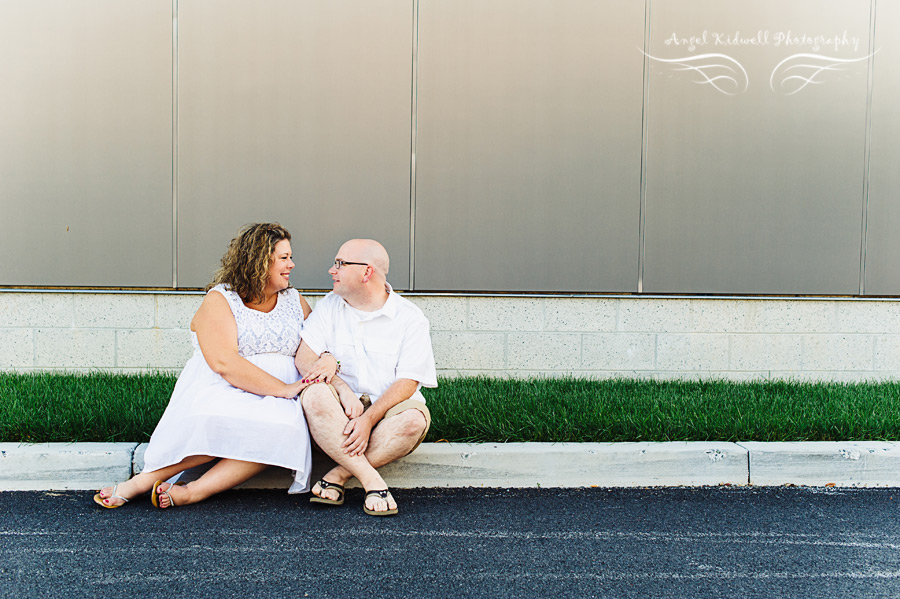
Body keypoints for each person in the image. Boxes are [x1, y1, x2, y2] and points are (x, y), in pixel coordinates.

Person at [94, 223, 337, 509]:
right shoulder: (221, 299)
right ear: (259, 260)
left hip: (281, 396)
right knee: (214, 421)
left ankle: (196, 490)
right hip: (226, 386)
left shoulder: (294, 301)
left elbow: (316, 341)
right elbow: (225, 363)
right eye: (283, 258)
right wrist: (283, 389)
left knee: (282, 428)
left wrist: (329, 357)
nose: (292, 265)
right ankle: (141, 482)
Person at [296, 239, 437, 516]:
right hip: (339, 409)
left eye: (340, 264)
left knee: (414, 421)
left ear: (367, 272)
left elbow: (408, 382)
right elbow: (304, 358)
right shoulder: (329, 306)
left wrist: (368, 420)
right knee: (313, 394)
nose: (331, 270)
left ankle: (338, 475)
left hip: (386, 412)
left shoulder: (410, 318)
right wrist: (343, 389)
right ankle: (372, 480)